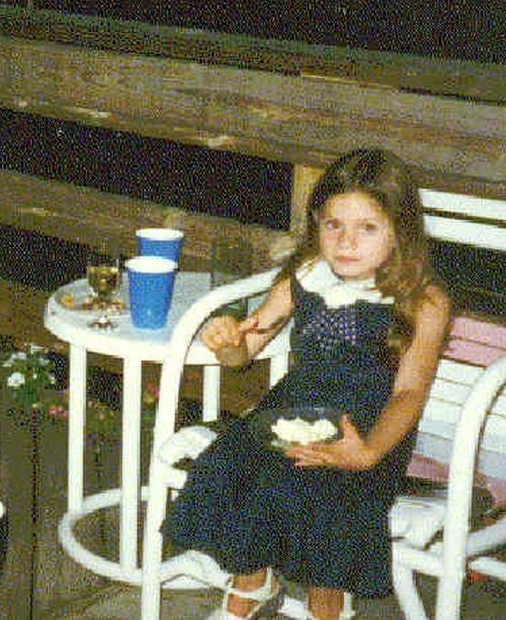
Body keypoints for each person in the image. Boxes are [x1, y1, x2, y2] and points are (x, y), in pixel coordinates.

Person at [161, 148, 451, 620]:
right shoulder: (307, 274)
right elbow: (244, 351)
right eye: (334, 224)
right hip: (291, 411)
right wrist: (227, 341)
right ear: (317, 223)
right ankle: (250, 584)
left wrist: (368, 452)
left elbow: (409, 392)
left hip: (367, 428)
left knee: (322, 489)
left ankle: (327, 603)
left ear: (399, 232)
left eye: (367, 228)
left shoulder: (423, 300)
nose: (346, 242)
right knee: (226, 465)